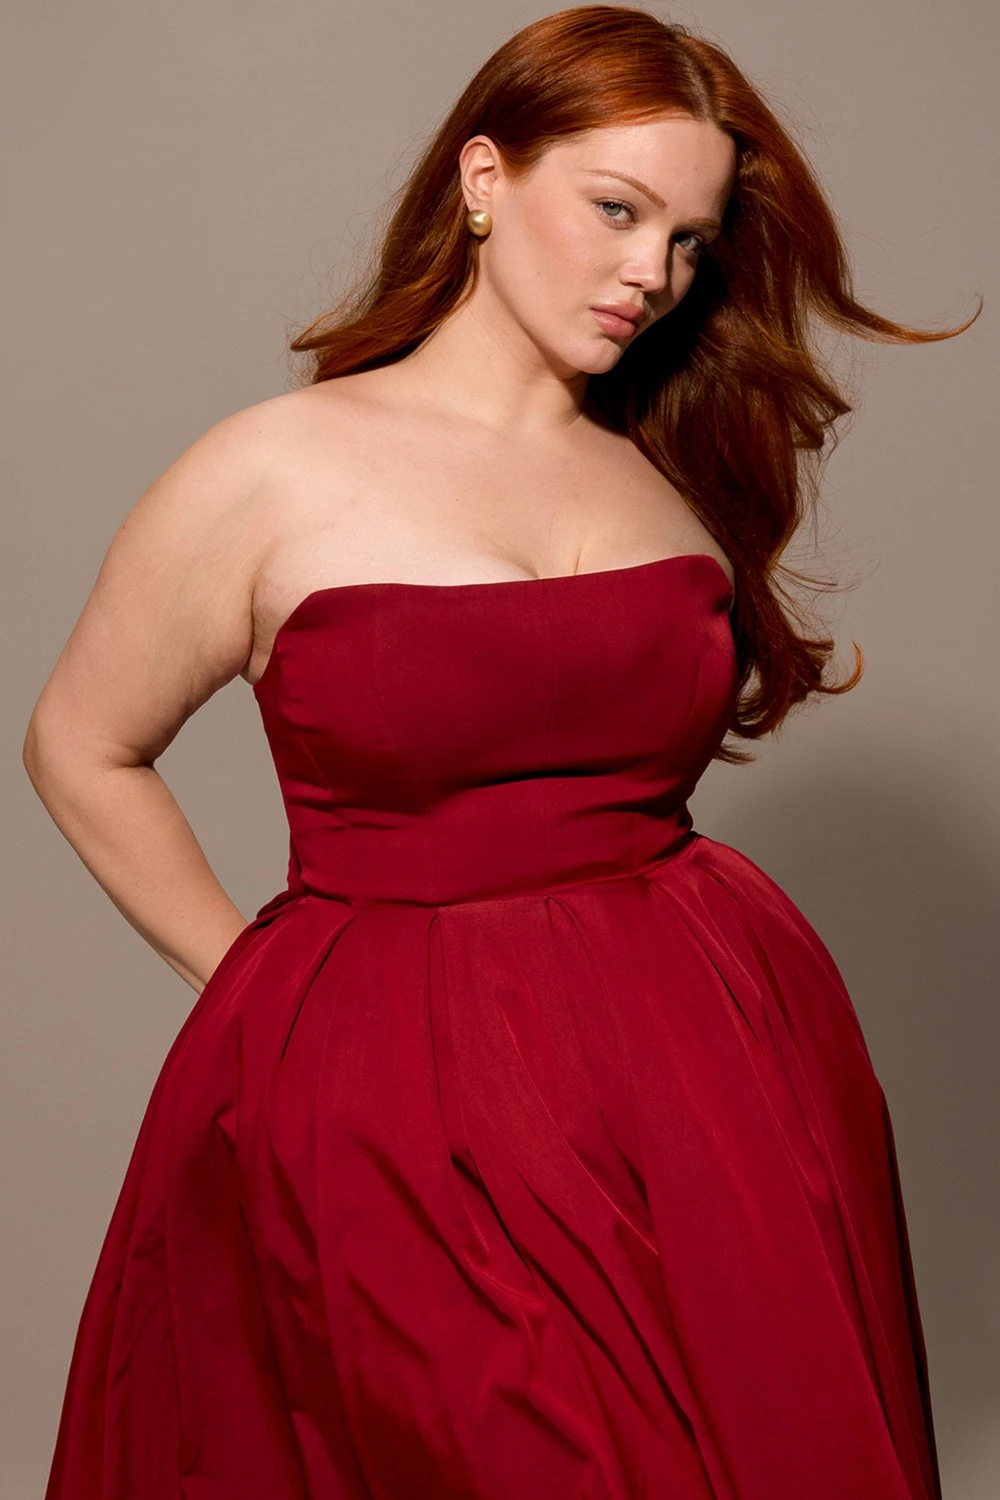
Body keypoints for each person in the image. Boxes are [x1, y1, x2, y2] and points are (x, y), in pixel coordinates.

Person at [24, 7, 975, 1498]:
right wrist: (270, 998)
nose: (653, 273)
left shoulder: (667, 466)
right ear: (484, 178)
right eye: (617, 209)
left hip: (707, 1079)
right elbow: (80, 744)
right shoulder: (271, 472)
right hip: (400, 1109)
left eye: (688, 239)